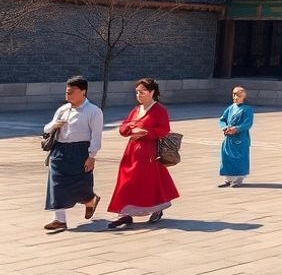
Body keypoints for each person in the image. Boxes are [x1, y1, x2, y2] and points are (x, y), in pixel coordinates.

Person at [107, 78, 179, 228]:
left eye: (142, 92)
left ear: (152, 92)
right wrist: (130, 129)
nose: (139, 95)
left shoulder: (159, 110)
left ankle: (155, 209)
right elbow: (123, 127)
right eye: (137, 92)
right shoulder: (136, 110)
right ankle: (125, 212)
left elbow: (164, 130)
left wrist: (145, 132)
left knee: (146, 182)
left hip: (149, 152)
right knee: (126, 181)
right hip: (131, 152)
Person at [42, 75, 103, 232]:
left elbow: (96, 136)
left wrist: (92, 156)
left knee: (81, 183)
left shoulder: (94, 111)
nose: (67, 95)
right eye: (66, 92)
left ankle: (91, 200)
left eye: (71, 92)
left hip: (80, 151)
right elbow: (47, 128)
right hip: (60, 150)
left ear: (83, 92)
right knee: (56, 183)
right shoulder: (63, 110)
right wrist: (54, 125)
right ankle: (59, 219)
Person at [217, 86, 253, 187]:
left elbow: (247, 123)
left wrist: (236, 129)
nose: (235, 97)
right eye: (234, 94)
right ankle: (228, 179)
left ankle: (238, 179)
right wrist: (225, 128)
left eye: (238, 95)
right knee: (226, 157)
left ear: (243, 96)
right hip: (229, 138)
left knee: (239, 159)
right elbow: (223, 119)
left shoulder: (247, 109)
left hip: (240, 138)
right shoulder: (230, 108)